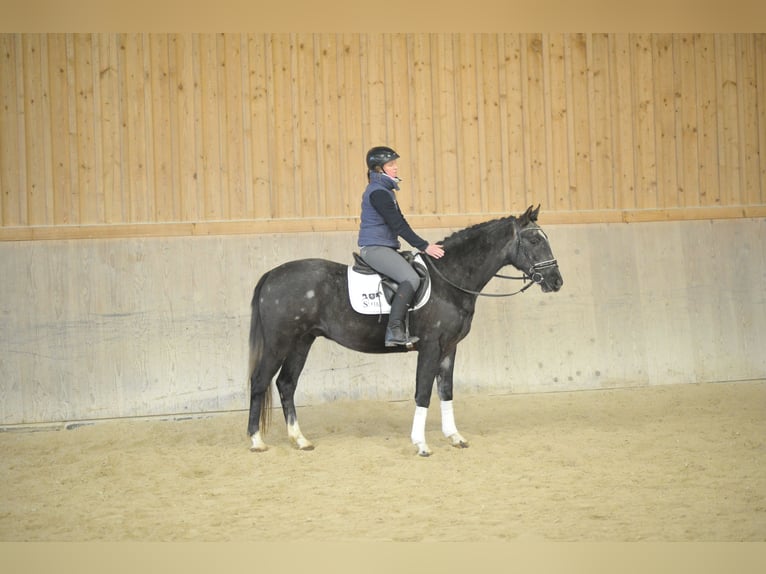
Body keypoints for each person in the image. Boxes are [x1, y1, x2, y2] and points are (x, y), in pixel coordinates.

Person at [357, 146, 445, 347]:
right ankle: (394, 331)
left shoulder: (385, 190)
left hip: (385, 247)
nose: (396, 168)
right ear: (379, 169)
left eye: (395, 163)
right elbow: (398, 224)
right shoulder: (378, 192)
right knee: (411, 278)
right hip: (375, 248)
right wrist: (424, 246)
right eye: (391, 164)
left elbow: (400, 221)